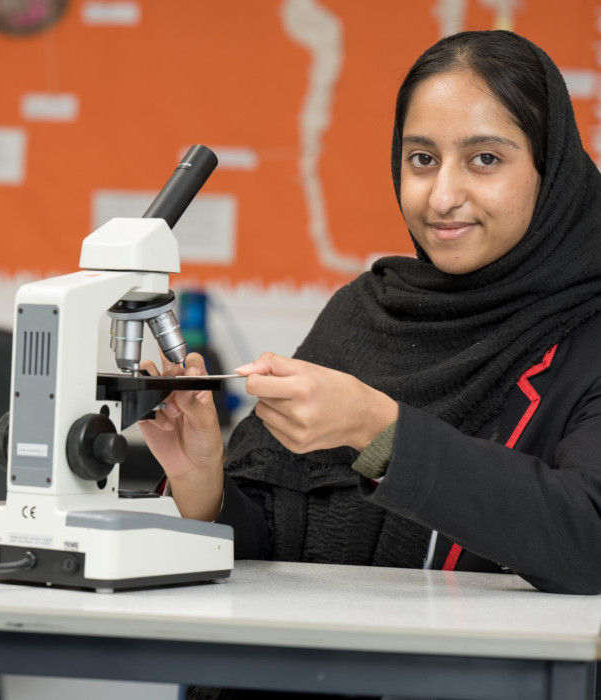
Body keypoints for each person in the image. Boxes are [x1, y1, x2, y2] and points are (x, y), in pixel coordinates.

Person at [138, 29, 601, 700]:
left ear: (549, 167)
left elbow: (585, 537)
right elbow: (272, 550)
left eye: (484, 160)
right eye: (421, 158)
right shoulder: (364, 313)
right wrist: (203, 482)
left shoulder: (587, 330)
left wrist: (381, 431)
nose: (442, 196)